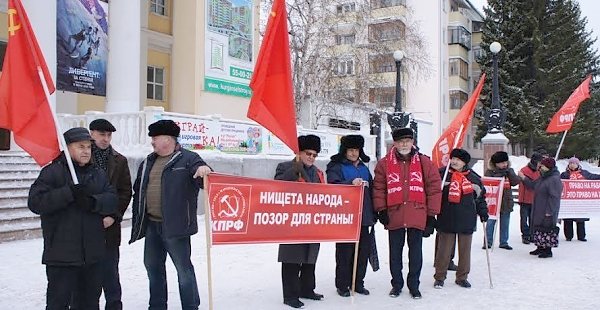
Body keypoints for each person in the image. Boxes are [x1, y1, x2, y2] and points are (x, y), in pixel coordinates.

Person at [28, 127, 118, 309]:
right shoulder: (52, 172)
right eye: (80, 147)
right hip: (62, 255)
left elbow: (112, 200)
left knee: (89, 303)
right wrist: (67, 193)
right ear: (67, 148)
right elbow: (36, 203)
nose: (86, 151)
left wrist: (92, 202)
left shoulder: (97, 174)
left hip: (92, 256)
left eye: (88, 147)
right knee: (58, 303)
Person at [129, 120, 212, 310]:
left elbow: (203, 176)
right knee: (153, 268)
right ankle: (157, 306)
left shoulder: (189, 159)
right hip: (152, 225)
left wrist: (204, 171)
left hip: (176, 228)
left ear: (167, 139)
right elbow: (138, 190)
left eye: (155, 138)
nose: (152, 142)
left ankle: (191, 306)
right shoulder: (149, 161)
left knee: (184, 271)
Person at [373, 128, 442, 299]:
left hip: (417, 214)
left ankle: (414, 285)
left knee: (415, 253)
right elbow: (379, 188)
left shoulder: (425, 162)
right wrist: (381, 210)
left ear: (413, 142)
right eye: (400, 141)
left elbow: (433, 189)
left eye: (407, 140)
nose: (404, 144)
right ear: (395, 143)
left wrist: (431, 215)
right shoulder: (384, 163)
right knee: (395, 253)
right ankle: (396, 285)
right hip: (395, 214)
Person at [275, 134, 325, 309]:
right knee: (292, 259)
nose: (311, 157)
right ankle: (290, 295)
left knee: (310, 258)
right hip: (292, 222)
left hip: (312, 222)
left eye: (314, 154)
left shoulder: (319, 173)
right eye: (308, 153)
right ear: (299, 152)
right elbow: (277, 187)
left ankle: (307, 289)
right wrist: (293, 170)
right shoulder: (285, 167)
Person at [88, 119, 132, 310]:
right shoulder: (81, 156)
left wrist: (113, 216)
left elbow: (125, 191)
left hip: (109, 228)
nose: (105, 139)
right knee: (88, 277)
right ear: (92, 134)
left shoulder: (119, 160)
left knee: (111, 274)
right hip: (86, 226)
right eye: (101, 134)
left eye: (109, 135)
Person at [326, 135, 376, 297]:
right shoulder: (335, 166)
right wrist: (350, 183)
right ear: (345, 151)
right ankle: (342, 284)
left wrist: (375, 212)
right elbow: (332, 186)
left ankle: (357, 282)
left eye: (357, 150)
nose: (354, 153)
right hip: (345, 217)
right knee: (344, 253)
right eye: (351, 150)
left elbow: (373, 191)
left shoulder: (364, 167)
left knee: (362, 253)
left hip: (365, 216)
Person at [434, 149, 488, 289]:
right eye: (453, 159)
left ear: (465, 162)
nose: (454, 162)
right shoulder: (442, 174)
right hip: (447, 217)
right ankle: (440, 276)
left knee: (465, 251)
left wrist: (483, 211)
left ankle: (462, 277)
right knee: (443, 251)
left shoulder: (474, 178)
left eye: (458, 159)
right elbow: (432, 194)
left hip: (466, 218)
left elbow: (480, 198)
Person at [483, 151, 520, 250]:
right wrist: (497, 176)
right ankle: (488, 242)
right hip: (494, 201)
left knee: (505, 222)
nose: (505, 164)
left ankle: (504, 242)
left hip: (506, 201)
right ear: (496, 163)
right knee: (491, 222)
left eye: (505, 162)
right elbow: (486, 184)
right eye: (502, 163)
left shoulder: (509, 171)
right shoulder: (489, 172)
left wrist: (511, 173)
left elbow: (515, 182)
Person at [560, 156, 600, 241]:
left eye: (574, 163)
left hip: (580, 201)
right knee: (568, 218)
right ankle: (568, 236)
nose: (572, 165)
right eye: (570, 163)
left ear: (578, 164)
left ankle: (581, 236)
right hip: (568, 201)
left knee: (580, 218)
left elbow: (593, 177)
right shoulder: (564, 174)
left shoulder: (584, 173)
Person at [530, 157, 563, 258]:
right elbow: (533, 185)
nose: (540, 167)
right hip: (540, 207)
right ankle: (540, 247)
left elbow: (555, 197)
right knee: (539, 227)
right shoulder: (543, 177)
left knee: (547, 228)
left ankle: (547, 250)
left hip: (547, 208)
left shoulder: (554, 179)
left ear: (548, 167)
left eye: (543, 166)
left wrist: (550, 210)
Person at [517, 152, 545, 244]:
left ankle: (532, 234)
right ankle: (525, 235)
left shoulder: (539, 172)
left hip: (535, 199)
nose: (541, 164)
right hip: (524, 199)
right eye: (540, 162)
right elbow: (530, 185)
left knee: (533, 219)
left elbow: (534, 185)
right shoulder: (524, 170)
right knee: (524, 219)